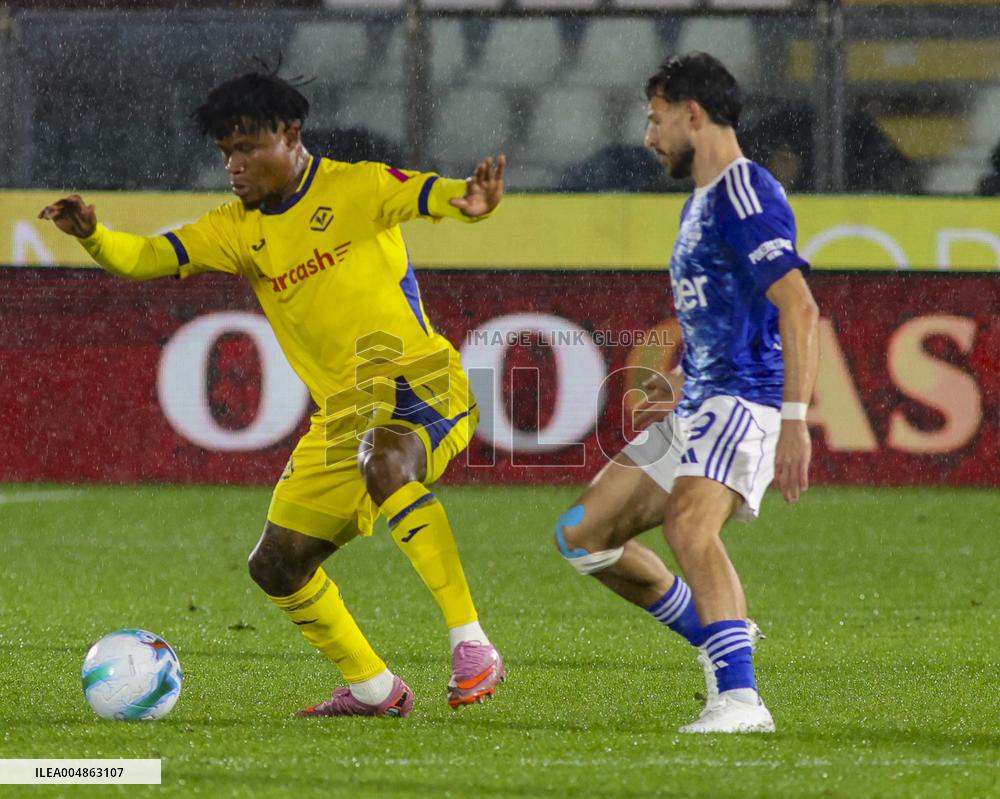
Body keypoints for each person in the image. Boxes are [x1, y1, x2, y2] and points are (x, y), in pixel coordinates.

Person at [40, 69, 507, 718]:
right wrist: (92, 234)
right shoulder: (237, 229)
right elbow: (148, 256)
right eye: (225, 153)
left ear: (291, 136)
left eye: (248, 149)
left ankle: (472, 644)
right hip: (345, 412)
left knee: (386, 456)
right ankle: (376, 690)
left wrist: (471, 196)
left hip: (420, 379)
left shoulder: (357, 185)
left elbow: (437, 195)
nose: (234, 166)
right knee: (277, 564)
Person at [553, 52, 818, 734]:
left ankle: (740, 700)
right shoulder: (703, 200)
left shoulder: (743, 193)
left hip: (745, 399)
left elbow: (799, 307)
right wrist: (680, 377)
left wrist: (795, 421)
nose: (649, 136)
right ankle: (721, 636)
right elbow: (724, 310)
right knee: (584, 536)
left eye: (656, 119)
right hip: (703, 394)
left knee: (689, 526)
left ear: (692, 115)